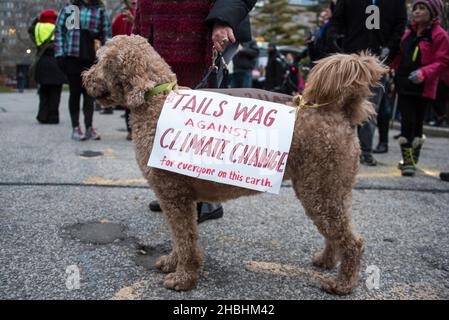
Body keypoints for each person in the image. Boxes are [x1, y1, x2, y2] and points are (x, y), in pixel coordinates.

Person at [132, 0, 257, 222]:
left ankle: (205, 199)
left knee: (196, 123)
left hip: (200, 34)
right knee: (164, 122)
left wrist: (223, 19)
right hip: (156, 34)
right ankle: (175, 194)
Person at [327, 0, 408, 166]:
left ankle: (365, 150)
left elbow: (400, 25)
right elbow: (336, 21)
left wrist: (390, 47)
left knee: (370, 108)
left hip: (377, 61)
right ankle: (341, 149)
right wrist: (334, 38)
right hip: (350, 58)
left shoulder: (396, 2)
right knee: (342, 105)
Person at [390, 0, 449, 176]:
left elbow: (443, 61)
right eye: (415, 8)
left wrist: (424, 72)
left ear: (433, 13)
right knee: (406, 122)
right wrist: (391, 71)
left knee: (416, 124)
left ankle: (412, 158)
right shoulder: (408, 33)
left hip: (424, 86)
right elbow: (398, 56)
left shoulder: (440, 35)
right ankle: (407, 161)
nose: (416, 12)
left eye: (422, 8)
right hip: (404, 83)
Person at [55, 0, 112, 141]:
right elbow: (60, 33)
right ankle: (75, 127)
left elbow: (107, 35)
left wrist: (106, 56)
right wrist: (60, 54)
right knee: (74, 93)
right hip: (72, 56)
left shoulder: (99, 11)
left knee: (89, 94)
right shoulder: (71, 9)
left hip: (91, 57)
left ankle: (89, 127)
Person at [32, 9, 66, 124]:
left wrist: (37, 18)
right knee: (55, 94)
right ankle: (53, 117)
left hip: (42, 63)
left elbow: (30, 29)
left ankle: (42, 116)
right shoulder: (58, 27)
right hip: (56, 64)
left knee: (43, 92)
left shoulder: (38, 28)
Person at [112, 0, 136, 140]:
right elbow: (114, 35)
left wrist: (134, 22)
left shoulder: (142, 13)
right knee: (128, 94)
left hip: (140, 59)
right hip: (124, 60)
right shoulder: (120, 18)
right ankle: (130, 129)